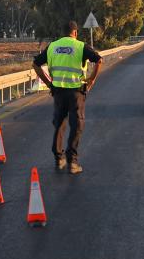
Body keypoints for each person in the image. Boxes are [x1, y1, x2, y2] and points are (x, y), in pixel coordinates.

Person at [33, 20, 103, 174]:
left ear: (63, 32)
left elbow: (36, 64)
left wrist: (48, 83)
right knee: (77, 125)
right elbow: (99, 60)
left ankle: (59, 158)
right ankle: (72, 161)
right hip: (76, 92)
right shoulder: (80, 46)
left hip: (58, 91)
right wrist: (91, 79)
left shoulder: (53, 46)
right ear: (75, 32)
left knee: (59, 124)